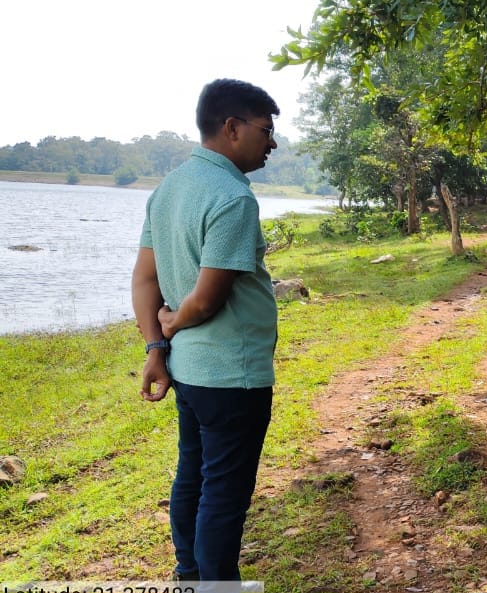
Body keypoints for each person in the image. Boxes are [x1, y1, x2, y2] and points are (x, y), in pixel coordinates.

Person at [131, 78, 280, 581]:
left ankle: (188, 575)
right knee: (223, 494)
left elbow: (145, 278)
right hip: (231, 375)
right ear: (232, 128)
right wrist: (175, 321)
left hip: (190, 374)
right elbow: (207, 298)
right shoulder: (233, 198)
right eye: (267, 130)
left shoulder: (170, 188)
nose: (273, 143)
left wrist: (156, 344)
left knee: (192, 477)